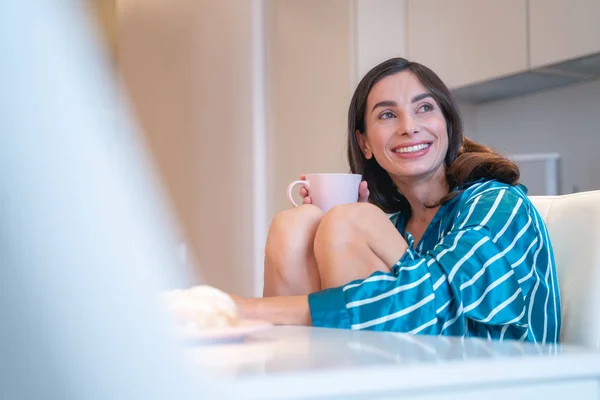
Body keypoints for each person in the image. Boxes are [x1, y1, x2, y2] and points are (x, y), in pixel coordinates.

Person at [236, 57, 560, 344]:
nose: (409, 127)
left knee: (347, 222)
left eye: (424, 108)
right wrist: (321, 235)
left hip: (494, 381)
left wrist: (249, 309)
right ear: (364, 143)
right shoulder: (395, 227)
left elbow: (427, 302)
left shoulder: (499, 204)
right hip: (400, 364)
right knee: (296, 225)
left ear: (447, 123)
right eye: (388, 115)